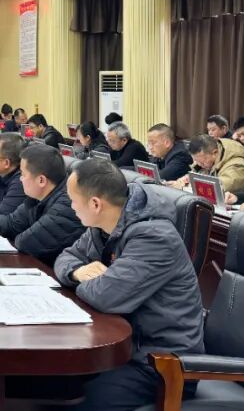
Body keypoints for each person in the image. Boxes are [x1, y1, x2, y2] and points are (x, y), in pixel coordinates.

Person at [55, 159, 204, 411]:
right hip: (124, 348)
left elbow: (105, 297)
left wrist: (85, 282)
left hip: (162, 363)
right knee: (50, 380)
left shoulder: (155, 237)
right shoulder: (103, 226)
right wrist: (77, 272)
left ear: (95, 204)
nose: (71, 207)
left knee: (82, 398)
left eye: (73, 200)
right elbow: (65, 257)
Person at [0, 144, 85, 264]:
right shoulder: (37, 197)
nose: (20, 179)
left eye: (23, 174)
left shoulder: (67, 205)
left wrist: (16, 232)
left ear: (41, 180)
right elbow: (11, 222)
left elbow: (25, 243)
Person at [170, 134, 244, 194]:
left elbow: (218, 188)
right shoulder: (206, 162)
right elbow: (196, 175)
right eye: (196, 161)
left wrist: (185, 187)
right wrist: (185, 180)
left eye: (202, 162)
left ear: (214, 153)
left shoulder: (237, 166)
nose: (199, 164)